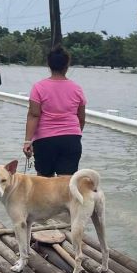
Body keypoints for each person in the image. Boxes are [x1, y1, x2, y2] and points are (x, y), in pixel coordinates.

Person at [23, 46, 87, 177]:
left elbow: (34, 115)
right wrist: (74, 135)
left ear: (49, 64)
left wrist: (27, 142)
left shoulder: (39, 87)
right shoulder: (77, 88)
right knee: (66, 183)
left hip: (45, 140)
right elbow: (81, 117)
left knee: (44, 183)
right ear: (67, 64)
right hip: (71, 139)